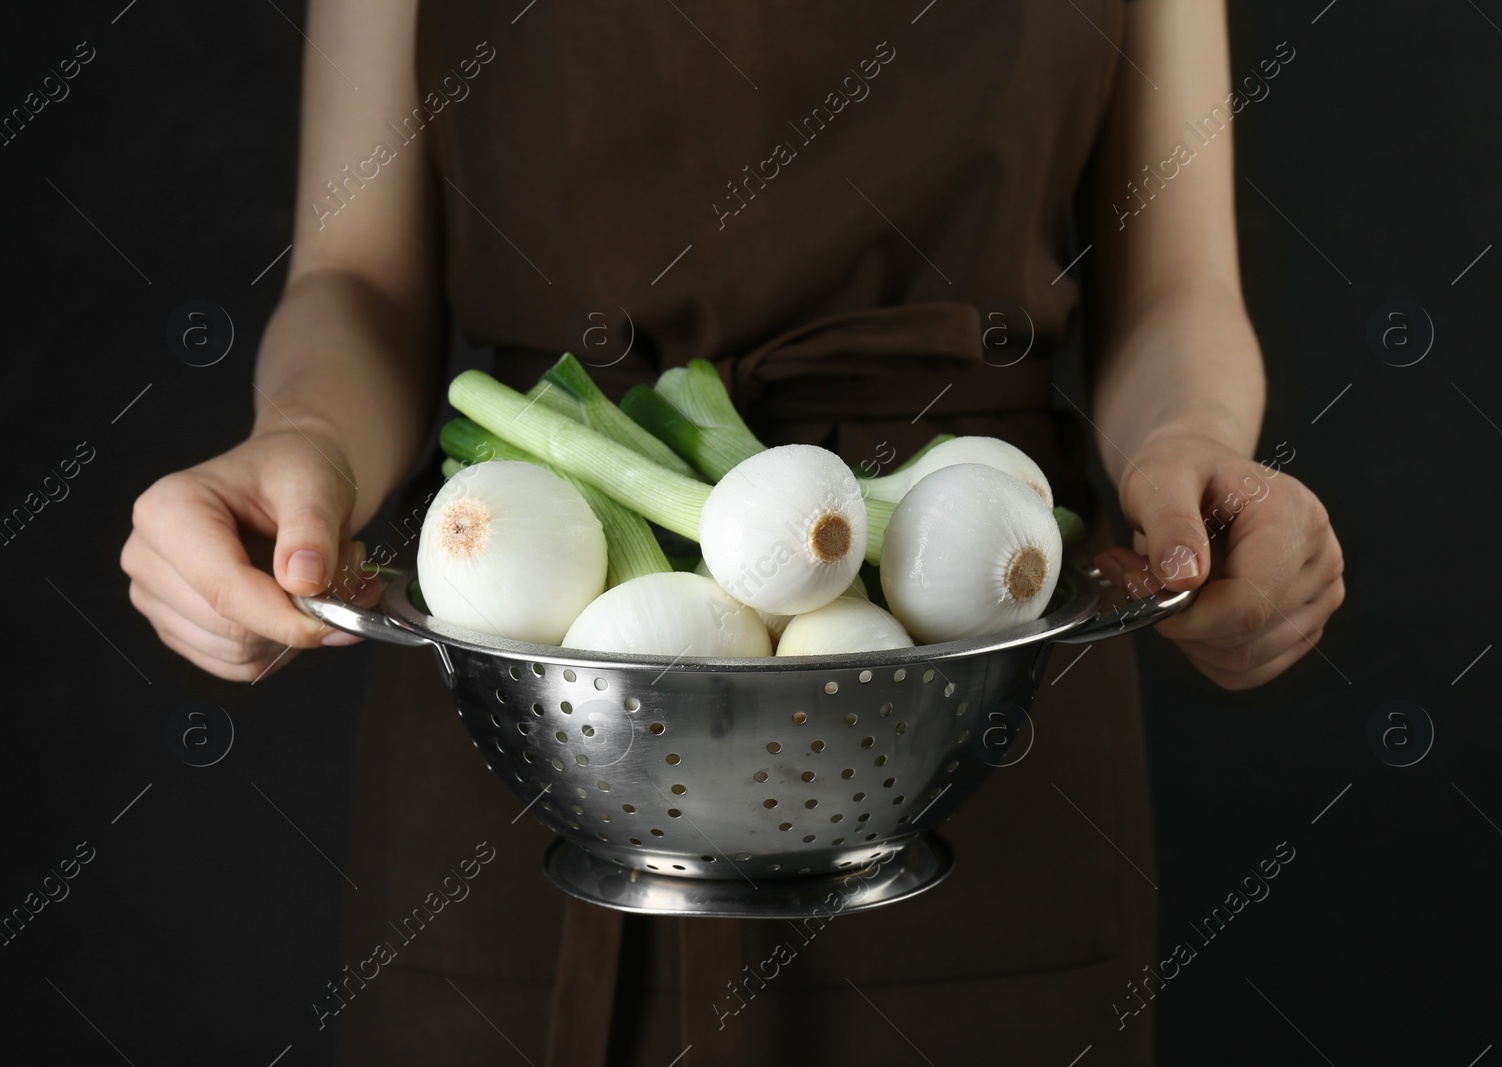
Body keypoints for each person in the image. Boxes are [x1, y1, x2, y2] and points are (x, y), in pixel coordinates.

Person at [120, 0, 1345, 1063]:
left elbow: (1178, 289)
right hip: (540, 659)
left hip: (967, 668)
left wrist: (1194, 453)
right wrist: (304, 448)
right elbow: (360, 281)